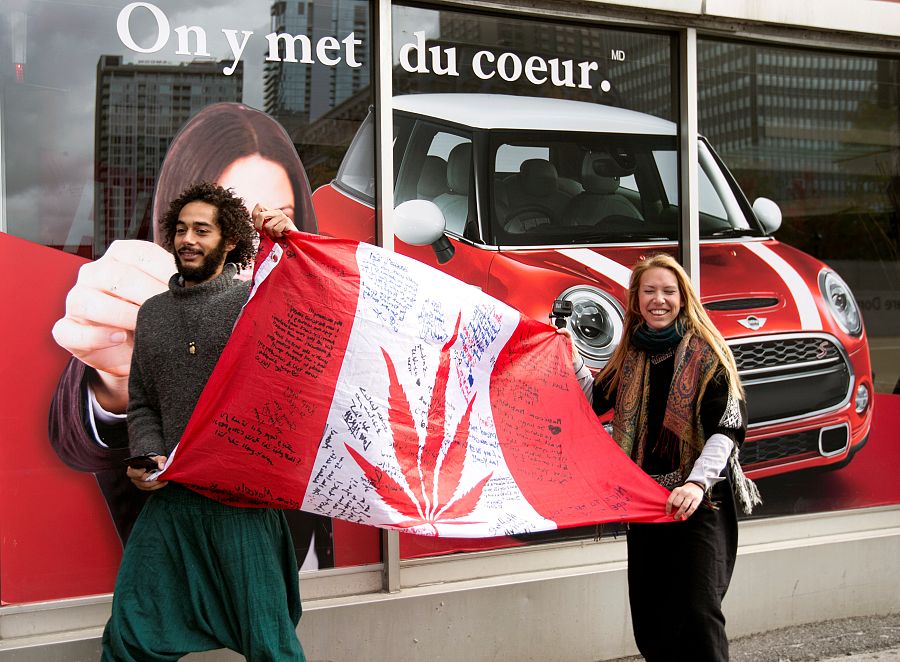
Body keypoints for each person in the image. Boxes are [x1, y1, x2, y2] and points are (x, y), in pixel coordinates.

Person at [49, 103, 333, 568]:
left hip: (295, 566)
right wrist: (114, 377)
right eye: (228, 222)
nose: (252, 242)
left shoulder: (310, 323)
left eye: (276, 218)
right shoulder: (161, 315)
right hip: (201, 559)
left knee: (271, 633)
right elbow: (103, 424)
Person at [101, 182, 305, 661]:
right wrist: (146, 452)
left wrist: (293, 241)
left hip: (241, 505)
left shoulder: (255, 302)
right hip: (172, 499)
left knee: (269, 643)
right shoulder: (152, 315)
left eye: (202, 230)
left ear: (229, 240)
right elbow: (143, 401)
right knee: (130, 631)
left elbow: (311, 308)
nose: (187, 239)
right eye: (180, 229)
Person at [571, 253, 761, 661]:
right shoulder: (630, 356)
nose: (659, 299)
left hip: (701, 502)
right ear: (637, 300)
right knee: (651, 618)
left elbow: (727, 427)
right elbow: (592, 402)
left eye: (668, 291)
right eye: (650, 291)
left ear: (683, 298)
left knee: (697, 613)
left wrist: (696, 482)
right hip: (646, 505)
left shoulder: (708, 354)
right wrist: (569, 356)